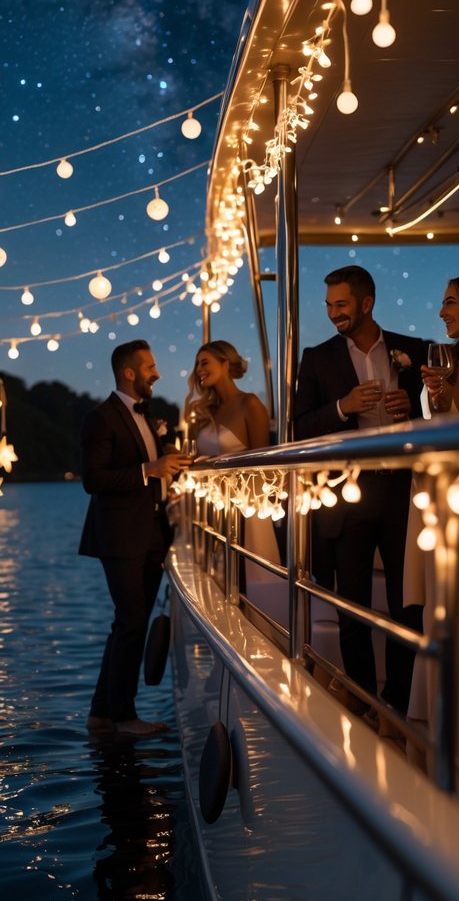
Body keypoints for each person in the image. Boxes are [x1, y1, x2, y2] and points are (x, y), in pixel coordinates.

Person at [294, 265, 427, 714]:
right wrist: (342, 406)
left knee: (407, 604)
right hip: (349, 493)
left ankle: (399, 703)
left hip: (403, 491)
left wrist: (415, 408)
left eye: (341, 304)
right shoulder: (317, 358)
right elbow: (300, 427)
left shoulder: (412, 349)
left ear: (367, 303)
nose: (333, 313)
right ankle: (365, 700)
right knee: (351, 605)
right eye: (329, 305)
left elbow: (439, 412)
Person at [79, 340, 191, 736]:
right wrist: (149, 469)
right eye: (150, 367)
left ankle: (101, 714)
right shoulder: (100, 418)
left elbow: (154, 464)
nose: (157, 374)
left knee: (130, 624)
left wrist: (169, 456)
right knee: (130, 622)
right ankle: (124, 717)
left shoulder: (148, 416)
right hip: (121, 536)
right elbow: (93, 480)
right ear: (129, 373)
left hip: (152, 533)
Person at [406, 273, 459, 761]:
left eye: (450, 302)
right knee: (453, 606)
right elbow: (445, 436)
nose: (441, 312)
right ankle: (454, 715)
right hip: (454, 506)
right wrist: (436, 403)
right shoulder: (447, 371)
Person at [183, 340, 280, 578]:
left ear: (225, 363)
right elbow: (193, 458)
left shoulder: (250, 404)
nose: (199, 369)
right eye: (197, 364)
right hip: (211, 509)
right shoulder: (206, 413)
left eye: (205, 362)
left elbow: (263, 466)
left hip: (245, 508)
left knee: (250, 579)